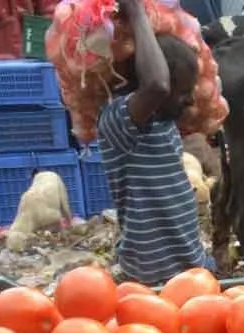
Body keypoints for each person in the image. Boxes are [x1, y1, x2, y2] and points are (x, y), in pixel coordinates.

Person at [98, 0, 212, 284]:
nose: (189, 100)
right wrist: (135, 11)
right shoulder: (119, 121)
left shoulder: (163, 122)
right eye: (183, 90)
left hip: (190, 266)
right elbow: (157, 85)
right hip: (152, 279)